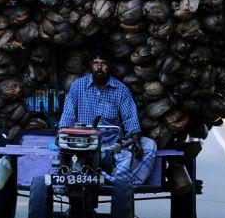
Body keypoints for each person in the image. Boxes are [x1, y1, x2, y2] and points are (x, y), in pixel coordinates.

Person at [58, 48, 157, 185]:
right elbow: (67, 116)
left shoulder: (121, 90)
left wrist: (135, 140)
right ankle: (114, 180)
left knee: (149, 145)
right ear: (90, 65)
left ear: (109, 65)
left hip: (112, 146)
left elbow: (130, 118)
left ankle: (116, 180)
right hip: (84, 145)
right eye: (95, 63)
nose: (99, 67)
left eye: (103, 63)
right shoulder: (77, 87)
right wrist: (63, 134)